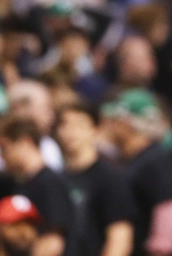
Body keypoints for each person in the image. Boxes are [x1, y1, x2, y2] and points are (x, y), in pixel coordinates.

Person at [100, 90, 172, 256]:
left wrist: (159, 251)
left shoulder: (156, 162)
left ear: (129, 123)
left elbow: (170, 214)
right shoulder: (135, 160)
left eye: (115, 120)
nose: (110, 125)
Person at [55, 100, 135, 256]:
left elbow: (120, 238)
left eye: (79, 125)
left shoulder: (111, 178)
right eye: (64, 125)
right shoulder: (57, 180)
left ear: (95, 130)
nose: (71, 132)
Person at [0, 116, 73, 256]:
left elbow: (53, 242)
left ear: (26, 142)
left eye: (4, 147)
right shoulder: (21, 184)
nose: (1, 156)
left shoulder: (50, 183)